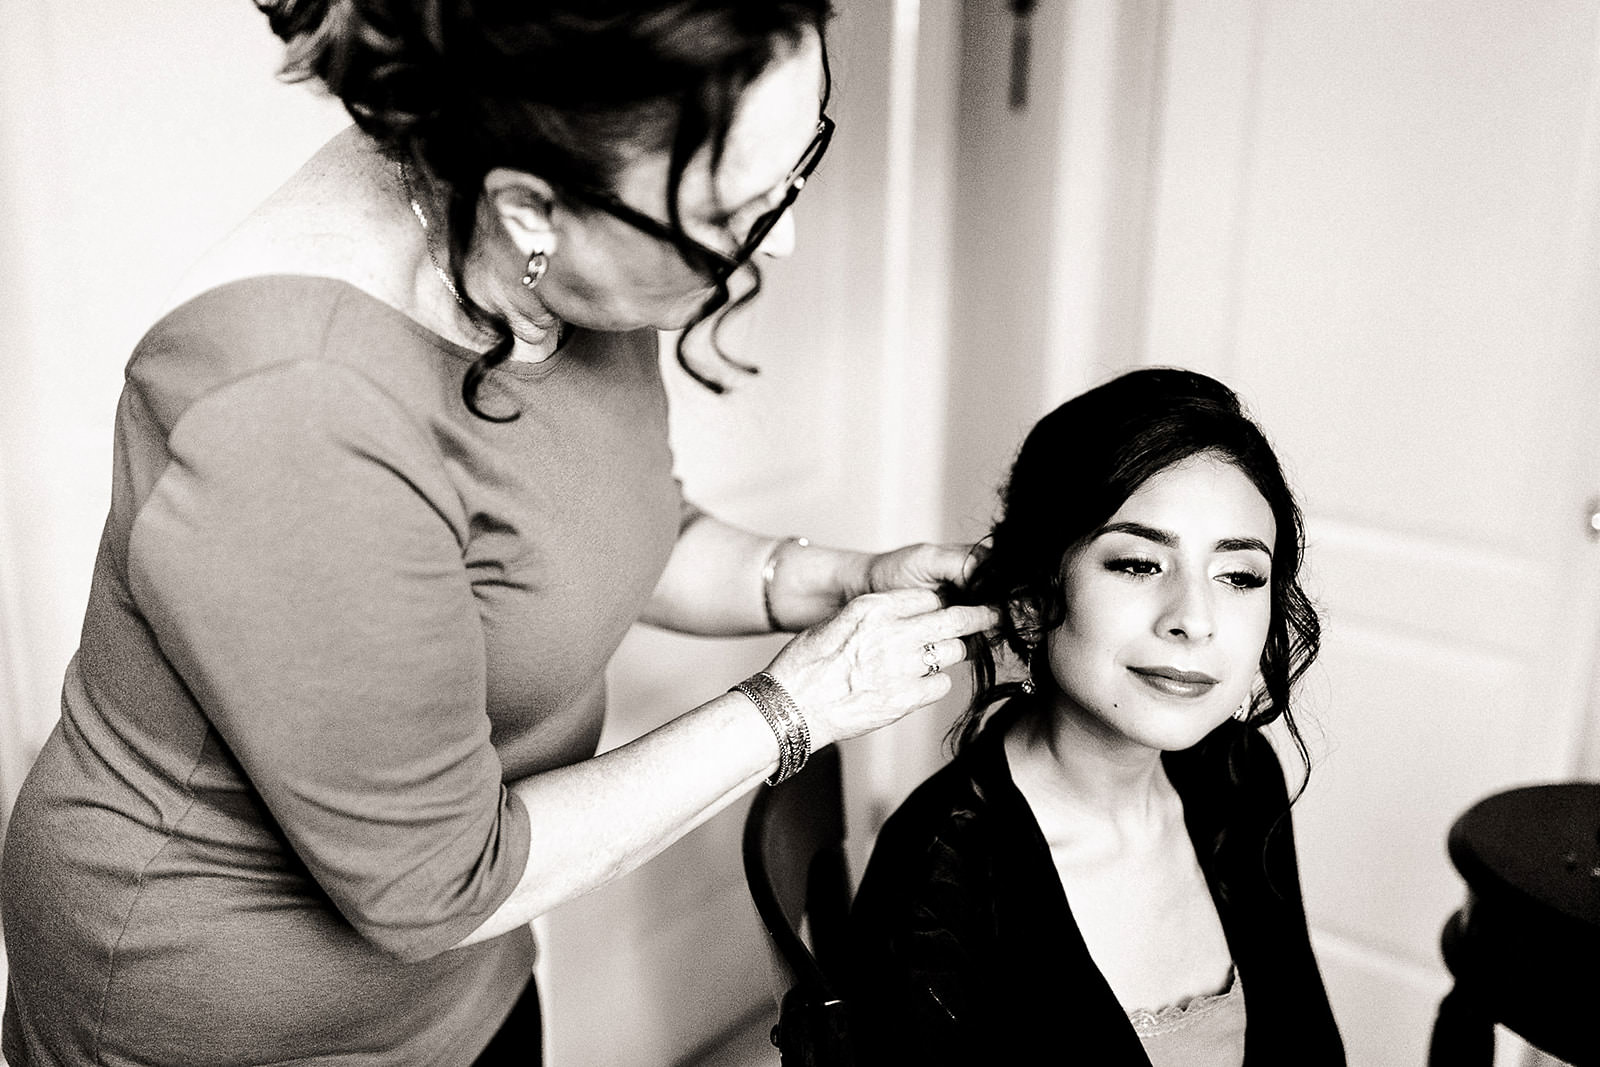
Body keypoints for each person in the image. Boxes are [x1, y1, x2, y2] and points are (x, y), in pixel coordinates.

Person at [0, 3, 996, 1064]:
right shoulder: (295, 404)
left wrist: (834, 579)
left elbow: (600, 531)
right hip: (232, 1021)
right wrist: (800, 704)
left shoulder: (547, 245)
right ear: (531, 210)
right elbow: (433, 883)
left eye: (797, 166)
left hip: (469, 970)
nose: (781, 236)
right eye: (734, 207)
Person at [846, 368, 1345, 1065]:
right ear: (1028, 599)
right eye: (1140, 564)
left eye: (1238, 576)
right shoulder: (940, 878)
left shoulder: (1239, 773)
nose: (1195, 620)